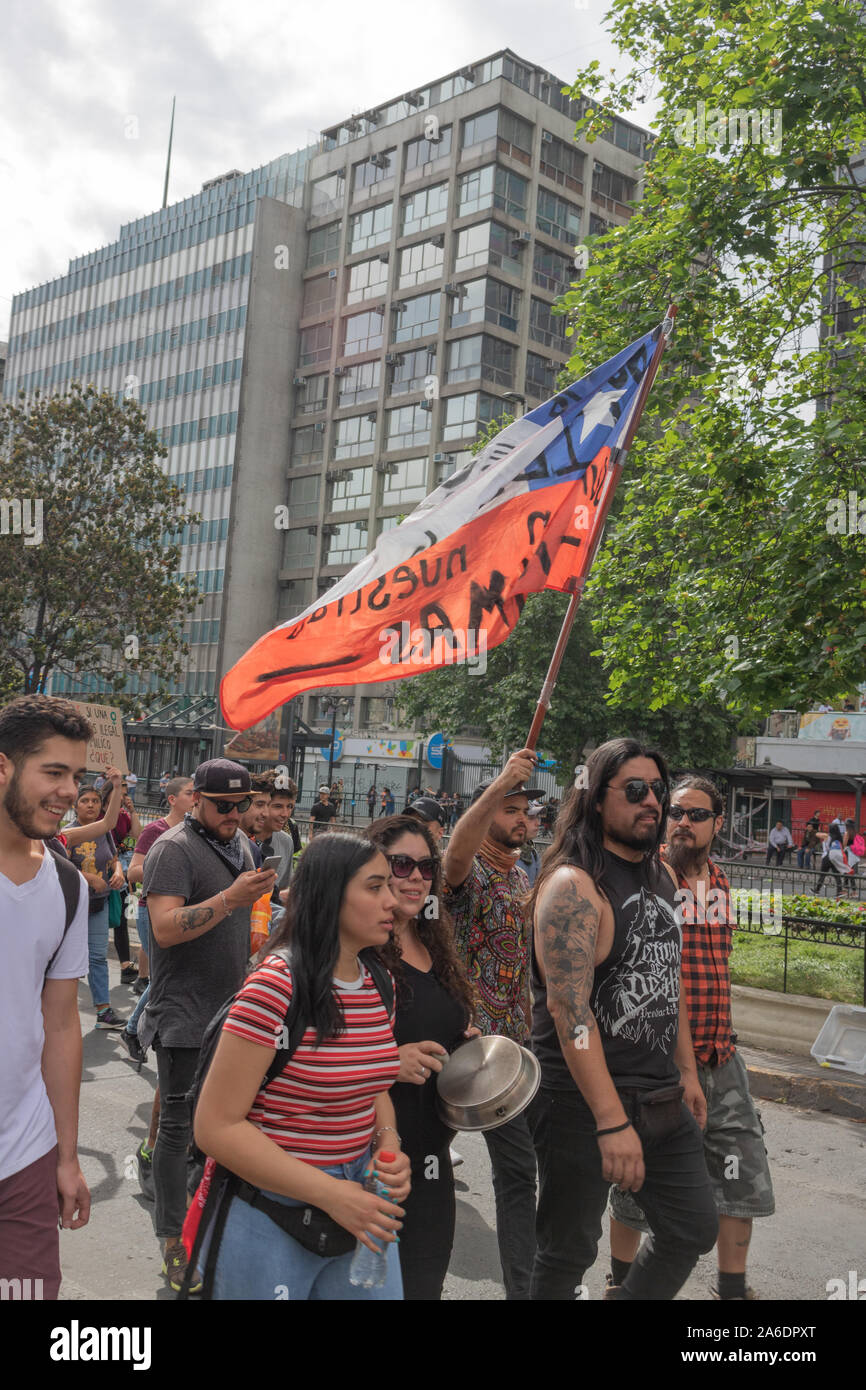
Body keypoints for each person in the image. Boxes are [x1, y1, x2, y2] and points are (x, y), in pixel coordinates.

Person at [528, 738, 718, 1301]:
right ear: (594, 798)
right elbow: (570, 1011)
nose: (653, 802)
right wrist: (611, 1122)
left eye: (658, 790)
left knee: (693, 1227)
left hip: (659, 1093)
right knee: (567, 1252)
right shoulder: (572, 886)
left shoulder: (661, 877)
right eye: (635, 790)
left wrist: (685, 1070)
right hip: (580, 1102)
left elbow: (668, 977)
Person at [192, 833, 411, 1300]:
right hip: (271, 1212)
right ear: (329, 895)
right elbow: (215, 1127)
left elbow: (372, 1089)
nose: (393, 900)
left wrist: (388, 1146)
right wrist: (333, 1195)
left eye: (389, 886)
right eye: (374, 887)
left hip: (363, 1204)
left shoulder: (379, 981)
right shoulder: (274, 987)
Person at [608, 776, 774, 1301]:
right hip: (656, 1060)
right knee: (638, 1185)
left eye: (697, 815)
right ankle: (621, 1285)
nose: (682, 821)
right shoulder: (645, 876)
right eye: (676, 811)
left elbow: (715, 968)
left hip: (720, 1056)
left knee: (739, 1170)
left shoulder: (722, 884)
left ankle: (732, 1291)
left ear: (717, 824)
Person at [140, 758, 277, 1290]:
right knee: (178, 1129)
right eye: (225, 805)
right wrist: (231, 899)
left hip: (231, 1011)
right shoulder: (172, 850)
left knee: (222, 1128)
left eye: (242, 805)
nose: (236, 814)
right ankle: (175, 1240)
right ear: (196, 797)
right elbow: (165, 930)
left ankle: (212, 1227)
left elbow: (242, 921)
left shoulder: (238, 844)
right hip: (182, 1011)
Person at [0, 695, 94, 1301]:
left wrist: (66, 1156)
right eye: (53, 772)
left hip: (24, 1152)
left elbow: (60, 1027)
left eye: (77, 776)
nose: (68, 791)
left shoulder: (66, 885)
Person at [442, 750, 544, 1300]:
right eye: (511, 808)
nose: (522, 819)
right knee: (408, 1157)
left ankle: (522, 1289)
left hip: (510, 1056)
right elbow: (455, 851)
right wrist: (502, 780)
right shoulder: (465, 872)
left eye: (527, 810)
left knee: (517, 1172)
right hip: (463, 1049)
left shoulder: (521, 873)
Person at [365, 815, 477, 1299]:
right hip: (372, 1155)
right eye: (402, 864)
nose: (416, 877)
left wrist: (465, 1044)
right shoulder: (359, 949)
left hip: (431, 1156)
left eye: (426, 867)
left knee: (422, 1286)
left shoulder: (433, 941)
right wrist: (388, 1062)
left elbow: (437, 1026)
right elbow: (317, 1048)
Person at [121, 777, 195, 1066]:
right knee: (168, 976)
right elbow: (134, 872)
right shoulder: (156, 830)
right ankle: (133, 1030)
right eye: (190, 793)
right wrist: (168, 860)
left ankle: (144, 1031)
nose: (195, 798)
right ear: (173, 799)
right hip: (150, 912)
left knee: (171, 976)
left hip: (181, 912)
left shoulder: (193, 831)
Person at [66, 780, 127, 1029]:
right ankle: (60, 1013)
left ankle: (104, 1012)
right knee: (68, 960)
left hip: (98, 906)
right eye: (85, 801)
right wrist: (89, 878)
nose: (90, 805)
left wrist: (119, 872)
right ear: (75, 805)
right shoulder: (68, 833)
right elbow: (59, 866)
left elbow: (114, 859)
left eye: (95, 801)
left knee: (98, 958)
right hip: (72, 908)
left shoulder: (103, 832)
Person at [253, 772, 301, 929]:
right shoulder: (240, 839)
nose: (285, 814)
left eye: (290, 807)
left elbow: (282, 888)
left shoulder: (286, 841)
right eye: (278, 806)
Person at [815, 823, 846, 897]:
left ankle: (817, 890)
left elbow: (817, 834)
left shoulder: (826, 836)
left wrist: (819, 830)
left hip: (827, 857)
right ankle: (839, 891)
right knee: (836, 875)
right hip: (835, 858)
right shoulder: (839, 838)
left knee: (823, 874)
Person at [519, 800, 545, 887]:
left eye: (538, 817)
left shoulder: (532, 853)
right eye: (530, 818)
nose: (538, 823)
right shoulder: (503, 854)